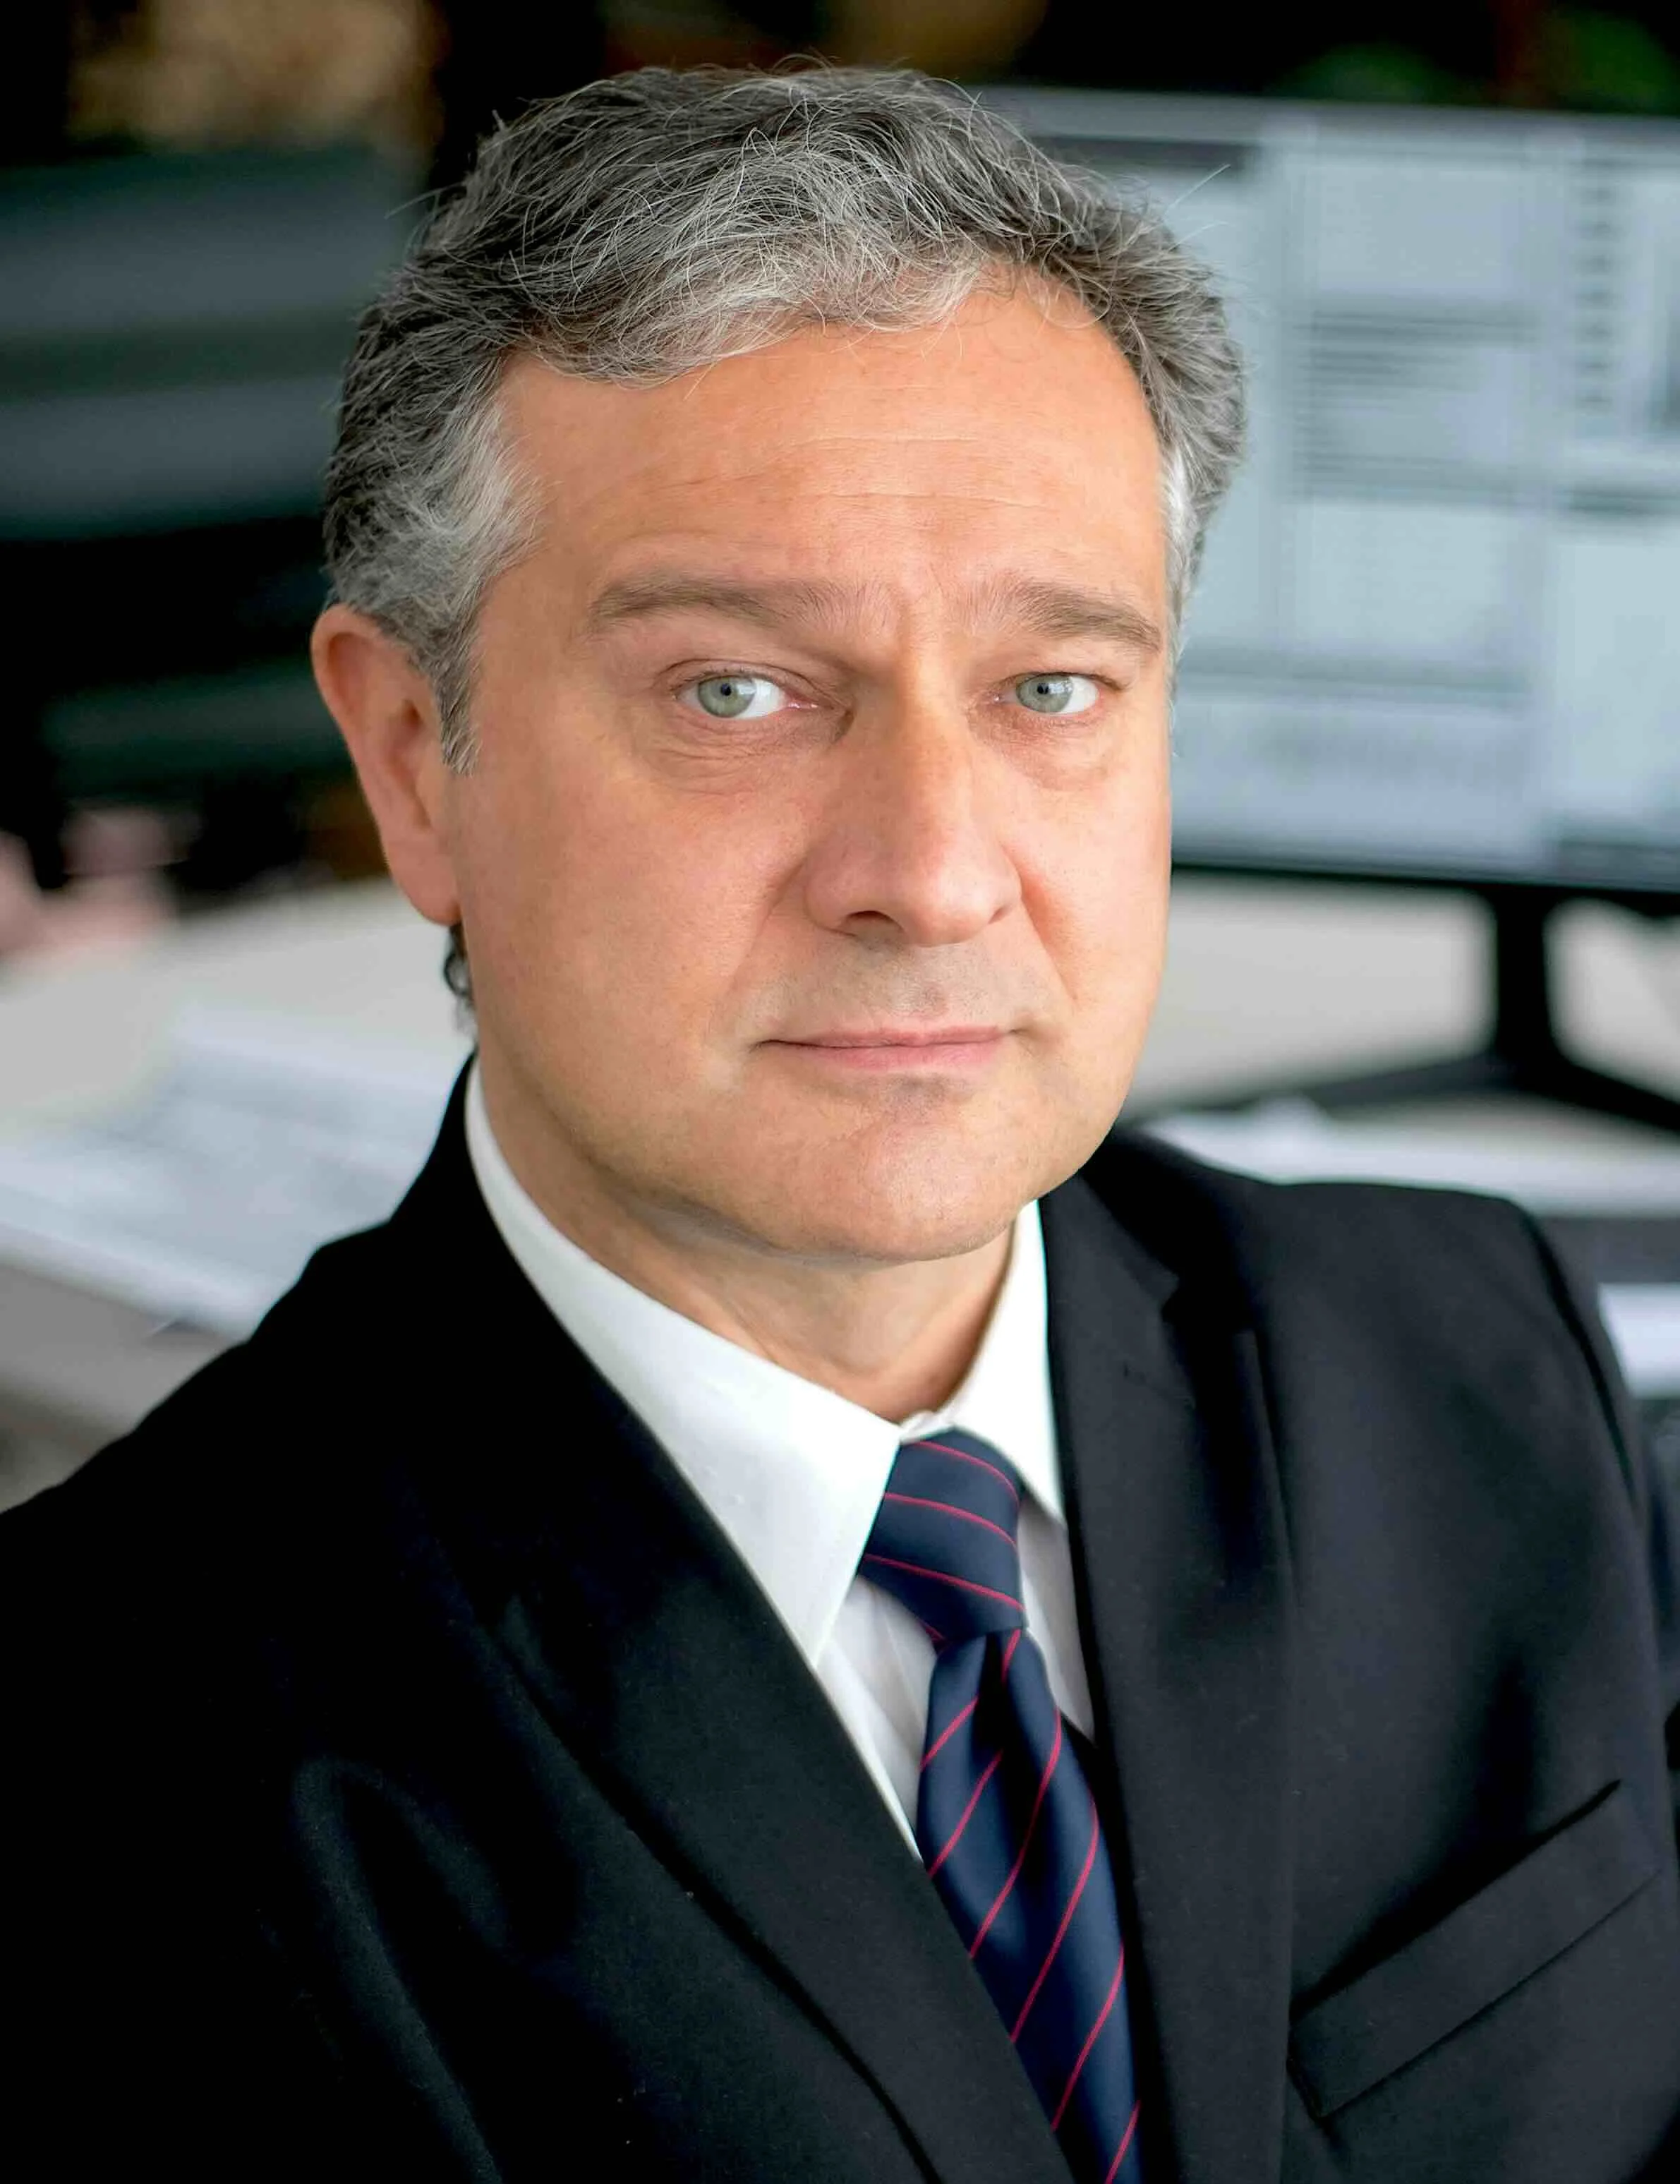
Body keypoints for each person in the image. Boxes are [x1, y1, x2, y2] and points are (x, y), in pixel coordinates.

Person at [2, 66, 1678, 2184]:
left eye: (1049, 690)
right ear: (419, 761)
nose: (932, 867)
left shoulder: (1472, 1351)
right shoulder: (112, 1750)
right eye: (738, 693)